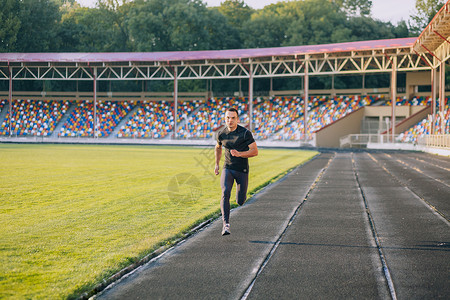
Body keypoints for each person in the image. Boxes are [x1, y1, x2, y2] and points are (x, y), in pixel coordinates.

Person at [214, 107, 258, 236]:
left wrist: (240, 154)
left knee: (240, 200)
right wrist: (216, 164)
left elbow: (255, 151)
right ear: (225, 119)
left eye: (233, 118)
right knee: (225, 192)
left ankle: (240, 199)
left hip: (242, 170)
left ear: (237, 119)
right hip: (228, 168)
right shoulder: (221, 134)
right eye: (228, 117)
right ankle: (225, 225)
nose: (230, 120)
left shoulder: (245, 133)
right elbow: (218, 148)